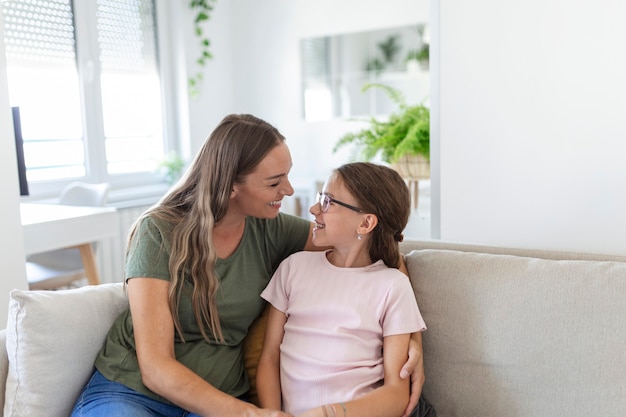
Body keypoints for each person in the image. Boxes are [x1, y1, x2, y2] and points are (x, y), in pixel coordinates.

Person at [70, 114, 425, 417]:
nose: (288, 191)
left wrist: (411, 342)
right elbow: (155, 369)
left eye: (287, 175)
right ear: (230, 186)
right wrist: (250, 413)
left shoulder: (271, 230)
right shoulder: (159, 232)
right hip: (133, 391)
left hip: (218, 398)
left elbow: (377, 249)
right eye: (273, 182)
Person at [256, 162, 434, 417]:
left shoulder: (392, 285)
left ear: (365, 224)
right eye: (320, 198)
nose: (314, 209)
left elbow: (397, 393)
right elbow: (269, 360)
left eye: (328, 202)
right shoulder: (293, 268)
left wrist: (329, 413)